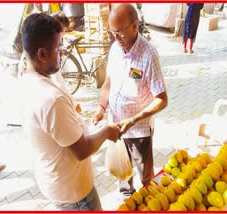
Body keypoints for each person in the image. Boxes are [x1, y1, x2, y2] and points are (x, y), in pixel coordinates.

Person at [19, 13, 120, 210]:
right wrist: (107, 131)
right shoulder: (50, 99)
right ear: (42, 54)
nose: (63, 51)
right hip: (75, 193)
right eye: (58, 47)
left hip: (54, 181)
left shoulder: (26, 79)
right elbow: (82, 151)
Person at [92, 4, 168, 199]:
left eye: (119, 33)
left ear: (135, 26)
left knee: (147, 179)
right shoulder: (116, 49)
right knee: (123, 175)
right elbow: (108, 83)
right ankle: (127, 199)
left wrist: (133, 120)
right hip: (115, 127)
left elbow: (162, 99)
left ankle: (150, 203)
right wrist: (101, 107)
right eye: (112, 33)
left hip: (139, 130)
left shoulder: (149, 54)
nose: (115, 39)